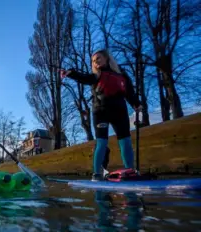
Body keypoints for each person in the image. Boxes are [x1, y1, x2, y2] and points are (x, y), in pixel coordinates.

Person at [61, 49, 142, 181]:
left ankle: (129, 171)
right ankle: (97, 174)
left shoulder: (122, 75)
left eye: (98, 58)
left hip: (120, 111)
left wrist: (136, 104)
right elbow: (84, 78)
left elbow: (129, 93)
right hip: (101, 112)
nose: (95, 62)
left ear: (107, 58)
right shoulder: (96, 75)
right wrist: (71, 73)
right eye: (93, 61)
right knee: (102, 142)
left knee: (125, 141)